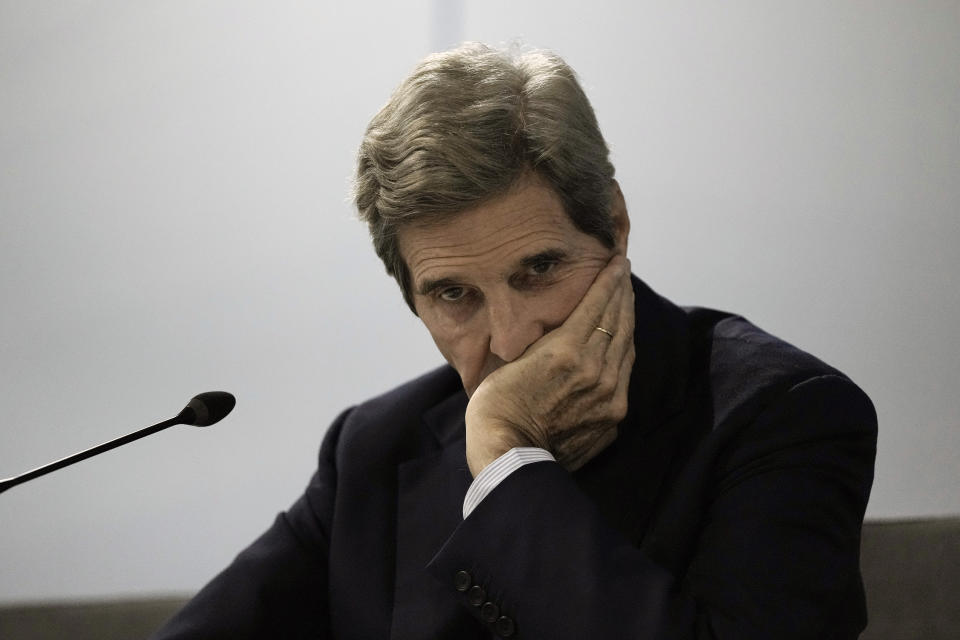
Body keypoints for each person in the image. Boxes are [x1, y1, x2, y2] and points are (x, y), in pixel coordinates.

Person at [153, 43, 877, 639]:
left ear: (614, 226)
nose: (508, 341)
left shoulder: (785, 418)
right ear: (411, 298)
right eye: (454, 295)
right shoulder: (372, 450)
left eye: (539, 270)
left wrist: (504, 456)